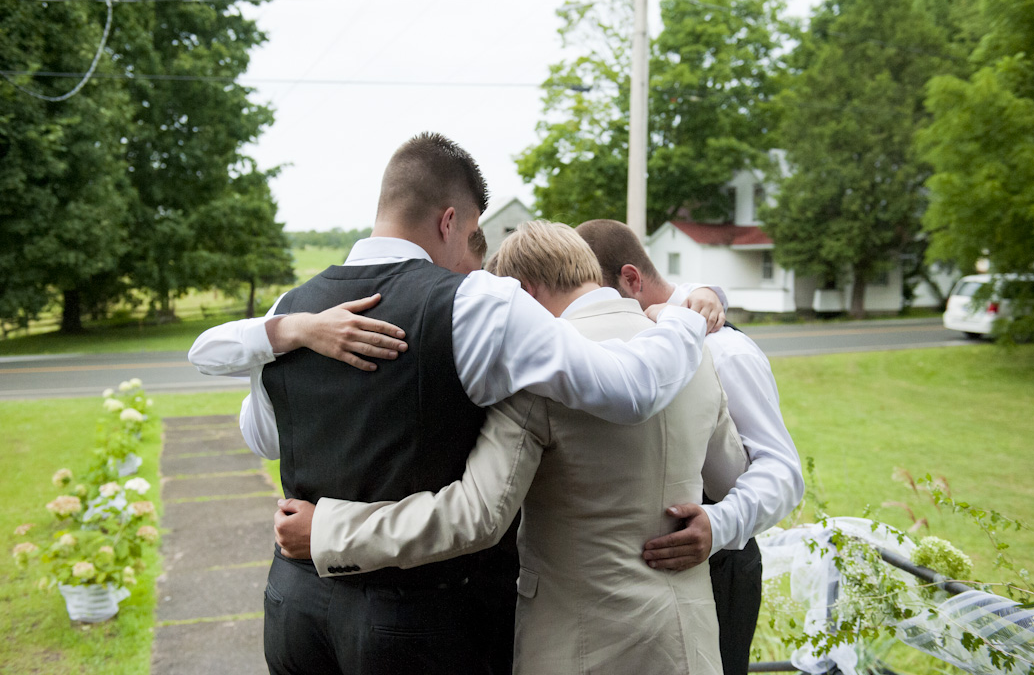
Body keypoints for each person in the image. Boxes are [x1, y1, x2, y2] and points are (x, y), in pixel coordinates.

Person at [188, 132, 724, 675]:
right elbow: (629, 389)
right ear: (449, 222)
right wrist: (682, 315)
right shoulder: (477, 304)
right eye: (471, 238)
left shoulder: (293, 309)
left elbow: (264, 437)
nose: (469, 263)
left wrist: (289, 339)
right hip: (413, 621)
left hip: (294, 610)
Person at [274, 220, 751, 675]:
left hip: (579, 647)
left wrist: (329, 530)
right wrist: (717, 524)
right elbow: (733, 477)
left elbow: (476, 515)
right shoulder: (693, 352)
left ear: (522, 295)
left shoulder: (538, 377)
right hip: (689, 641)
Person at [576, 218, 805, 675]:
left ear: (631, 280)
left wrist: (717, 526)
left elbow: (782, 472)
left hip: (720, 566)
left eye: (602, 302)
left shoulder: (725, 351)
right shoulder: (638, 342)